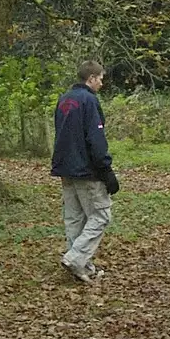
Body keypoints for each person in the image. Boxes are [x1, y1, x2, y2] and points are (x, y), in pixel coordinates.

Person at [51, 59, 119, 283]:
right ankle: (75, 258)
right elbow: (95, 139)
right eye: (100, 78)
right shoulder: (89, 101)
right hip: (86, 169)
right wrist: (106, 170)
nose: (101, 83)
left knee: (75, 218)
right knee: (100, 215)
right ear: (91, 78)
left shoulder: (64, 100)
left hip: (65, 168)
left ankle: (82, 267)